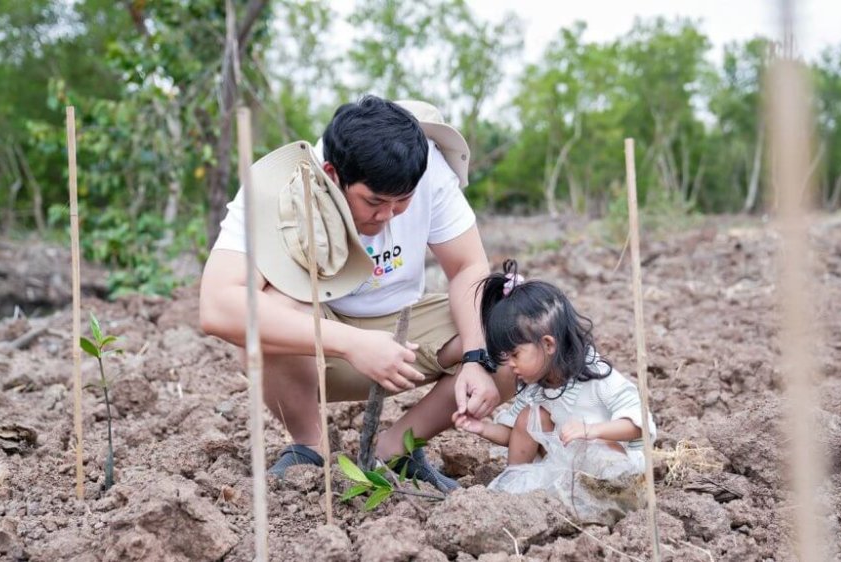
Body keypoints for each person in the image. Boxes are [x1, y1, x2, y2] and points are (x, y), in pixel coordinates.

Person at [199, 96, 511, 492]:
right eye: (374, 202)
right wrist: (352, 343)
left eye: (403, 202)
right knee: (268, 311)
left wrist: (476, 357)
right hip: (317, 349)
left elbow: (469, 267)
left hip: (405, 335)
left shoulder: (429, 168)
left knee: (513, 327)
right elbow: (217, 306)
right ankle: (309, 448)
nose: (387, 216)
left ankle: (396, 450)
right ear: (333, 174)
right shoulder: (281, 188)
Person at [452, 260, 656, 471]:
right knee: (530, 417)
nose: (510, 364)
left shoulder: (598, 378)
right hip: (566, 469)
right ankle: (516, 479)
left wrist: (591, 430)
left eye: (515, 354)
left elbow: (638, 424)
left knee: (603, 449)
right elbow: (517, 436)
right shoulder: (534, 389)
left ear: (548, 344)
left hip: (613, 471)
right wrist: (482, 428)